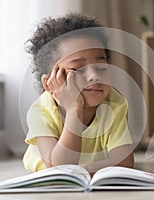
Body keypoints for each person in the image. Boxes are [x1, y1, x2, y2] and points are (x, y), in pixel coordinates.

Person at [23, 13, 134, 174]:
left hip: (89, 168)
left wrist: (88, 169)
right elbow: (60, 167)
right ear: (50, 83)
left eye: (101, 67)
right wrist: (74, 109)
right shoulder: (40, 111)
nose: (94, 76)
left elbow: (124, 160)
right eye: (78, 69)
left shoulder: (115, 104)